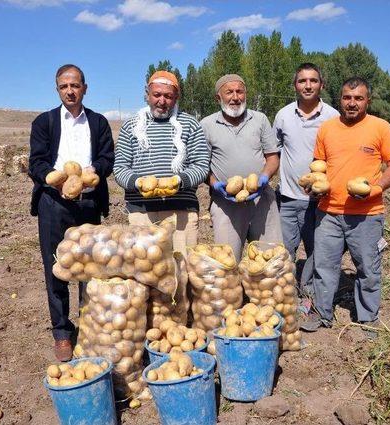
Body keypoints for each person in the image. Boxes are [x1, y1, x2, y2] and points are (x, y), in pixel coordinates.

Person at [304, 76, 390, 334]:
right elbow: (319, 166)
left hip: (367, 214)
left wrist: (377, 189)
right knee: (324, 267)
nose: (352, 103)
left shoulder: (381, 127)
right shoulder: (327, 128)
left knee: (368, 269)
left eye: (358, 98)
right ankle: (320, 314)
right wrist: (313, 186)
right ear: (340, 100)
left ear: (367, 100)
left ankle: (368, 318)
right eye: (347, 98)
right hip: (328, 212)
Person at [28, 64, 115, 361]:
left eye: (75, 85)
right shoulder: (44, 122)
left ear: (85, 88)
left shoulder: (99, 122)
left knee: (90, 268)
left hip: (89, 203)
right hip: (54, 204)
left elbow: (107, 159)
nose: (70, 91)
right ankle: (63, 333)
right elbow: (36, 162)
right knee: (56, 268)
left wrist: (93, 172)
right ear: (57, 89)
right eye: (64, 86)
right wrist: (57, 180)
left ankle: (89, 326)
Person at [113, 71, 210, 254]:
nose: (162, 101)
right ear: (147, 95)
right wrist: (137, 182)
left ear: (176, 97)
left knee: (182, 270)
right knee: (146, 272)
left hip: (181, 213)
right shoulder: (131, 125)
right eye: (157, 95)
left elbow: (201, 165)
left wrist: (179, 181)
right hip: (141, 213)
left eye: (168, 96)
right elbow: (120, 168)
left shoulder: (190, 124)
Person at [273, 63, 339, 302]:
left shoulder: (333, 117)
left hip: (319, 201)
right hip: (288, 198)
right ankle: (286, 294)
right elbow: (274, 151)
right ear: (295, 85)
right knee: (284, 250)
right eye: (302, 81)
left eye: (313, 80)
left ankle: (309, 295)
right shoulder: (283, 115)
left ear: (321, 84)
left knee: (316, 251)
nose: (308, 85)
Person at [201, 74, 282, 261]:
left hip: (261, 200)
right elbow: (203, 165)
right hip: (225, 203)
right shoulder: (206, 124)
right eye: (229, 92)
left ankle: (261, 290)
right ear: (218, 98)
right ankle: (235, 291)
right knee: (227, 262)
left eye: (240, 91)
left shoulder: (260, 119)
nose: (235, 97)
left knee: (269, 260)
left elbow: (272, 157)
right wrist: (214, 185)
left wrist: (264, 177)